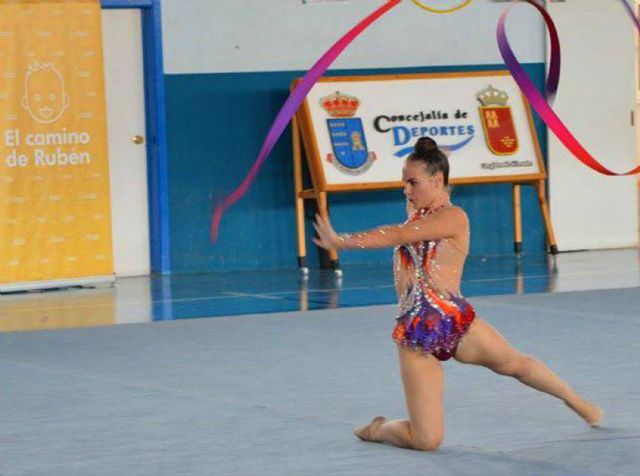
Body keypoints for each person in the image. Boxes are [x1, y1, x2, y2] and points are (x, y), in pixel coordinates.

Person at [312, 136, 603, 452]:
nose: (406, 190)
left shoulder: (454, 217)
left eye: (412, 183)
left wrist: (342, 241)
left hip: (457, 325)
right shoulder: (417, 212)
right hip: (416, 337)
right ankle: (378, 429)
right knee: (426, 440)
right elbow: (412, 217)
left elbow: (398, 234)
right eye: (404, 183)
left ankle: (574, 399)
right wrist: (430, 163)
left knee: (516, 365)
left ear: (437, 181)